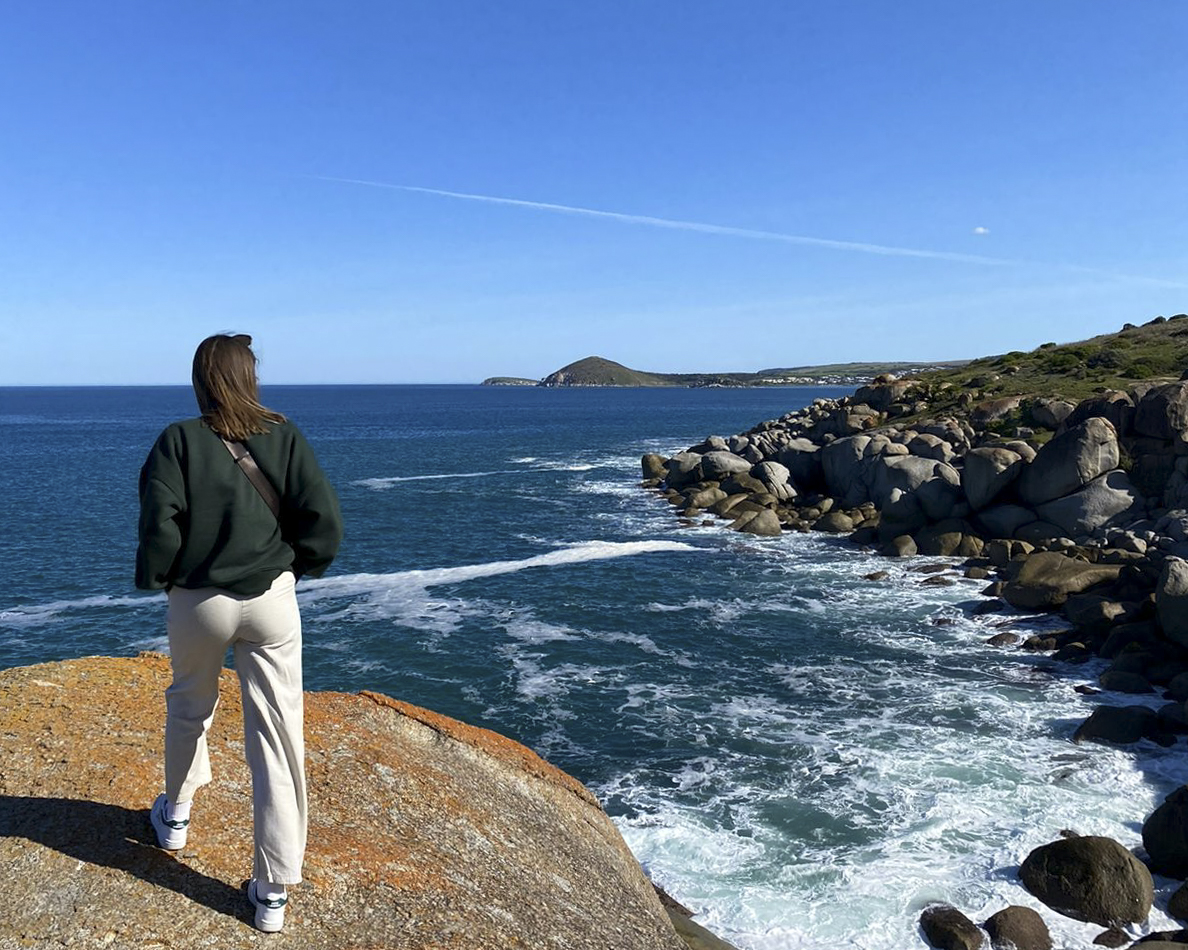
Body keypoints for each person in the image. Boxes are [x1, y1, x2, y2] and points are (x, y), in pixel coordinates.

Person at [135, 333, 343, 933]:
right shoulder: (283, 433)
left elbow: (159, 524)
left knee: (189, 705)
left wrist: (165, 579)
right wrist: (296, 570)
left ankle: (174, 816)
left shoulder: (178, 440)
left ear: (201, 378)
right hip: (271, 600)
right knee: (278, 736)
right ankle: (272, 894)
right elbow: (322, 519)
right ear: (250, 376)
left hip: (199, 600)